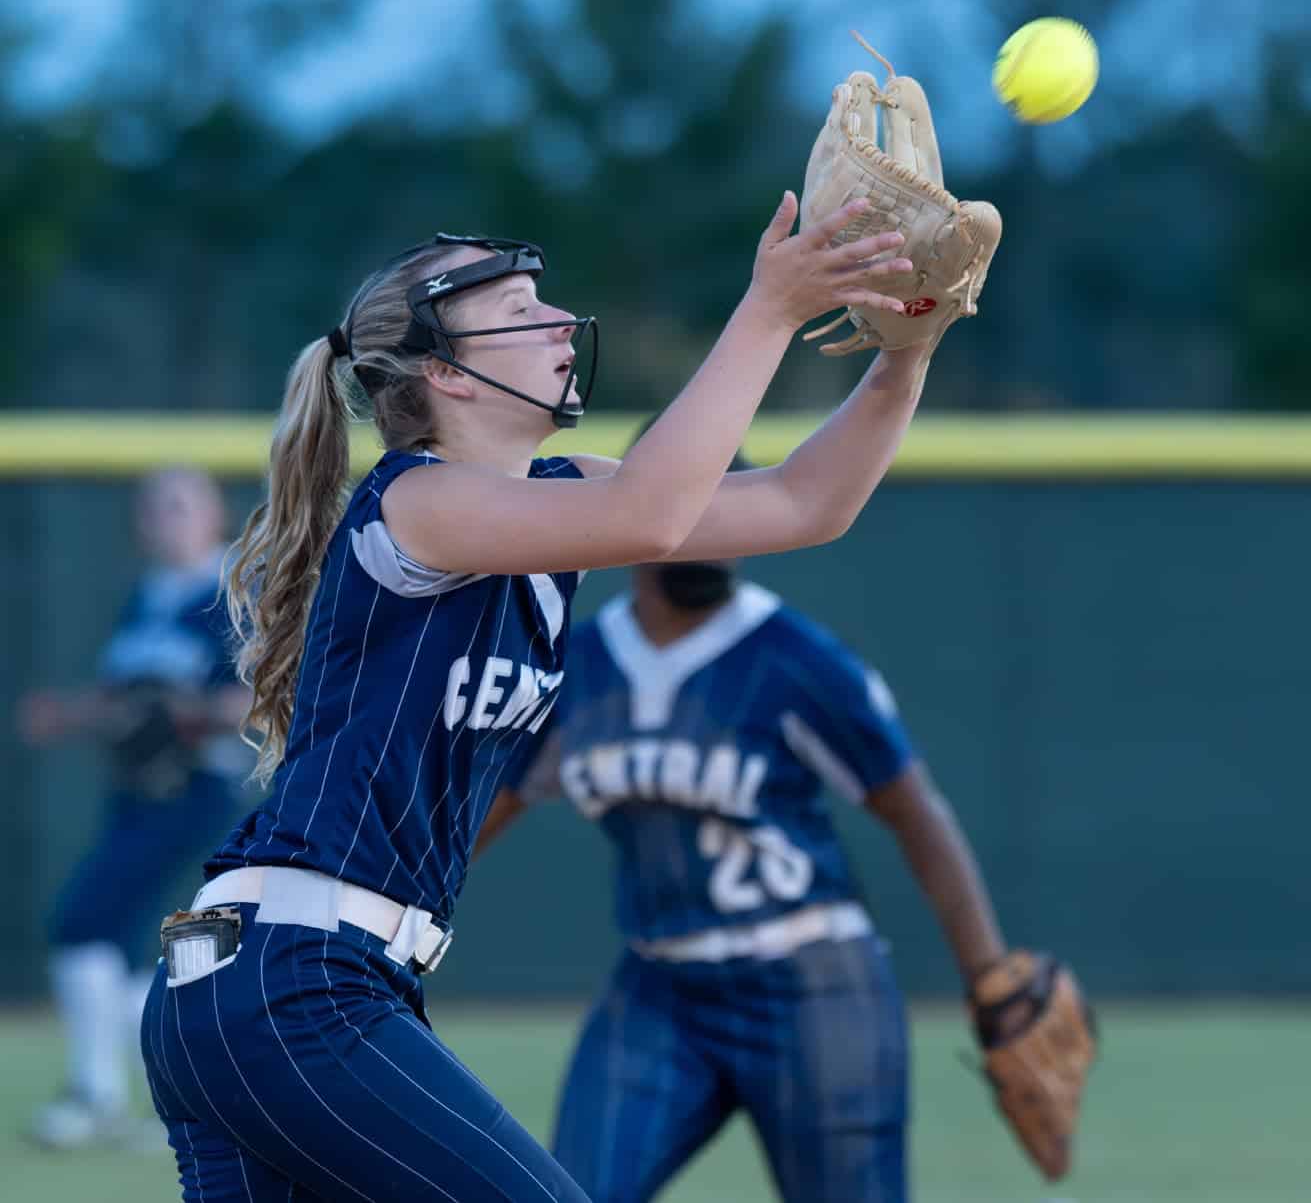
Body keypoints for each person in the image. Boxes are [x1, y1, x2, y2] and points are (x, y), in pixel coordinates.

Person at [139, 193, 950, 1203]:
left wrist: (904, 356)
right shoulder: (419, 500)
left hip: (264, 985)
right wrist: (769, 307)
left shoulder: (554, 493)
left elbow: (802, 502)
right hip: (295, 985)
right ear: (441, 371)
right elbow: (649, 513)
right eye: (520, 308)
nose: (560, 320)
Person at [474, 483, 1009, 1203]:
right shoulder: (582, 662)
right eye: (696, 507)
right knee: (566, 1190)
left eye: (731, 513)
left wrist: (989, 978)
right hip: (659, 985)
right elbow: (476, 815)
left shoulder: (796, 659)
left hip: (813, 985)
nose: (715, 533)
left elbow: (917, 815)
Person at [17, 467, 251, 1149]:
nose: (164, 516)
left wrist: (186, 713)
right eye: (152, 506)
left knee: (84, 924)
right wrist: (72, 715)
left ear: (214, 516)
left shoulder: (231, 593)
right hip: (137, 793)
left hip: (201, 789)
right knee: (114, 946)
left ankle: (101, 1094)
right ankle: (170, 1099)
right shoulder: (147, 598)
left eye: (181, 503)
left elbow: (256, 699)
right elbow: (130, 701)